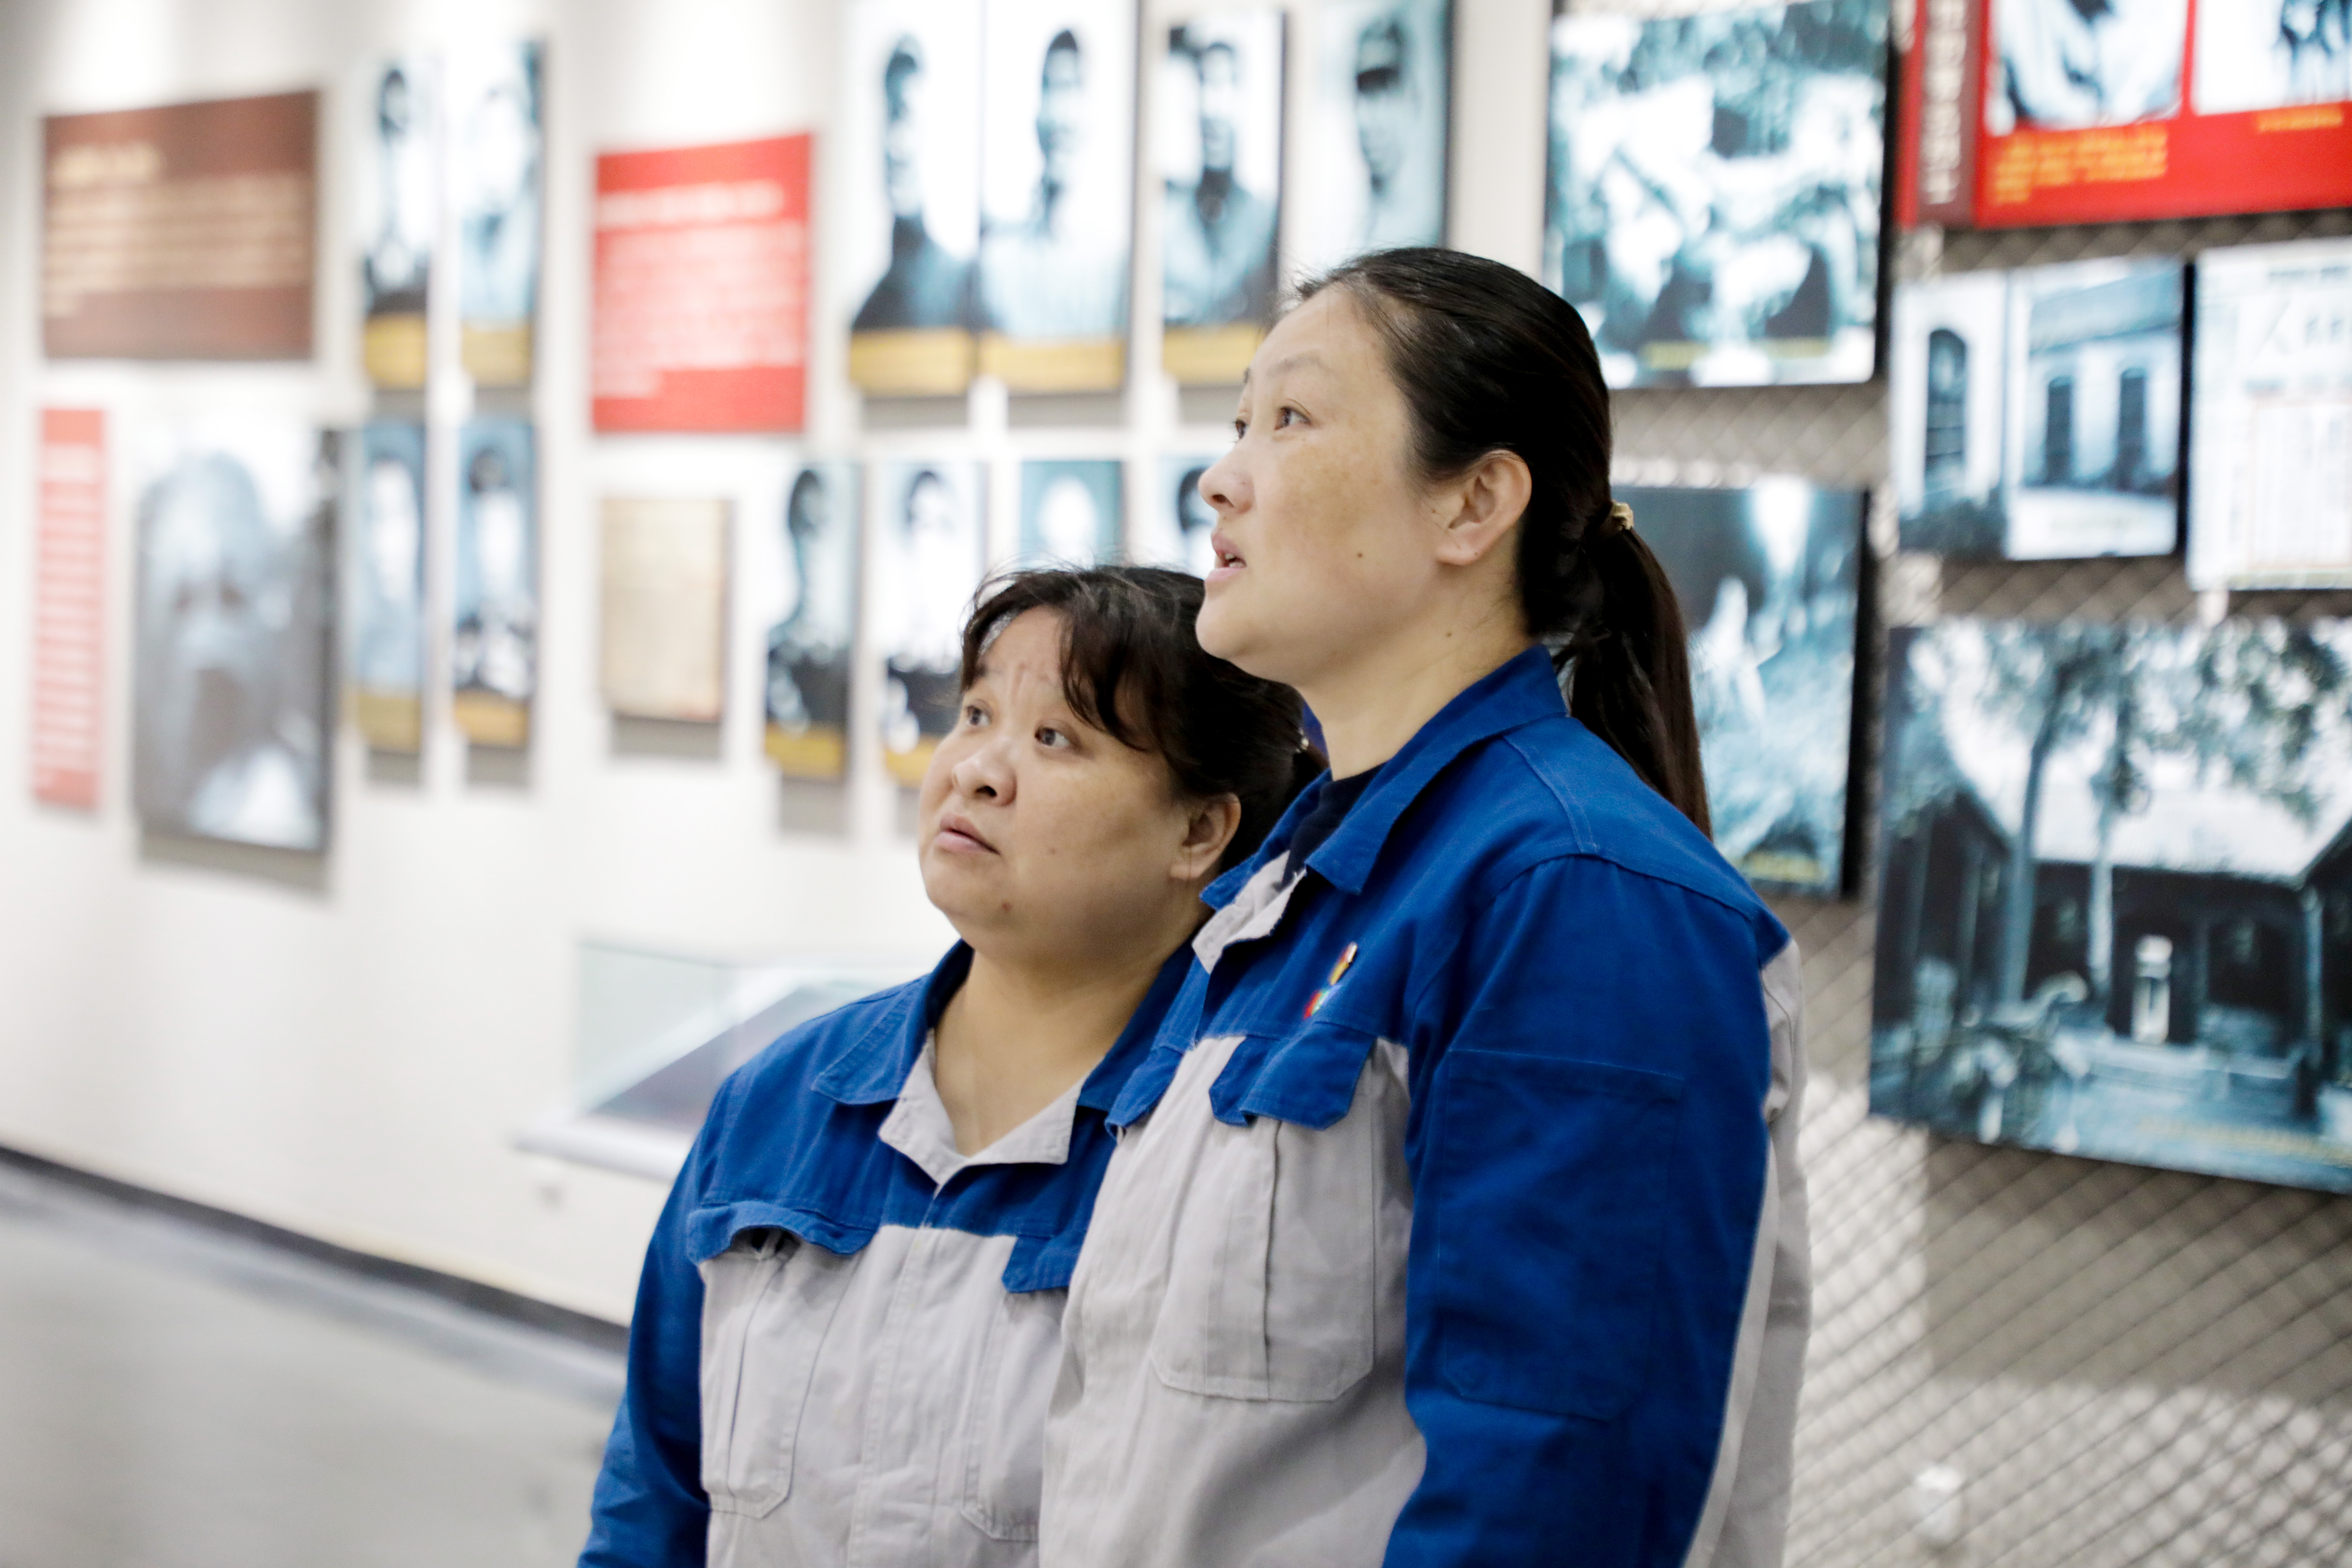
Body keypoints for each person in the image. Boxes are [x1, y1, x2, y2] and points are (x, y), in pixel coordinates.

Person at [1039, 249, 1809, 1567]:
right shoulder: (1287, 891)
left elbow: (1553, 1492)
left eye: (1289, 418)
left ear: (1471, 502)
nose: (1220, 477)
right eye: (1237, 421)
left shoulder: (1574, 895)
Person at [579, 566, 1319, 1567]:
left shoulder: (1221, 1148)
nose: (977, 770)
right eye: (975, 715)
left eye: (1055, 738)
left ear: (1200, 830)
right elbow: (654, 1503)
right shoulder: (783, 1104)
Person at [978, 28, 1127, 341]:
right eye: (1051, 89)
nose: (1060, 114)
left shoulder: (1119, 264)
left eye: (1072, 88)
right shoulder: (999, 266)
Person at [855, 35, 974, 333]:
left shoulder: (963, 290)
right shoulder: (869, 316)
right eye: (890, 119)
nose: (897, 146)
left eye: (907, 118)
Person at [1163, 34, 1279, 330]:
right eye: (1205, 84)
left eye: (1228, 85)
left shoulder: (1267, 223)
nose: (1214, 110)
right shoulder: (1166, 222)